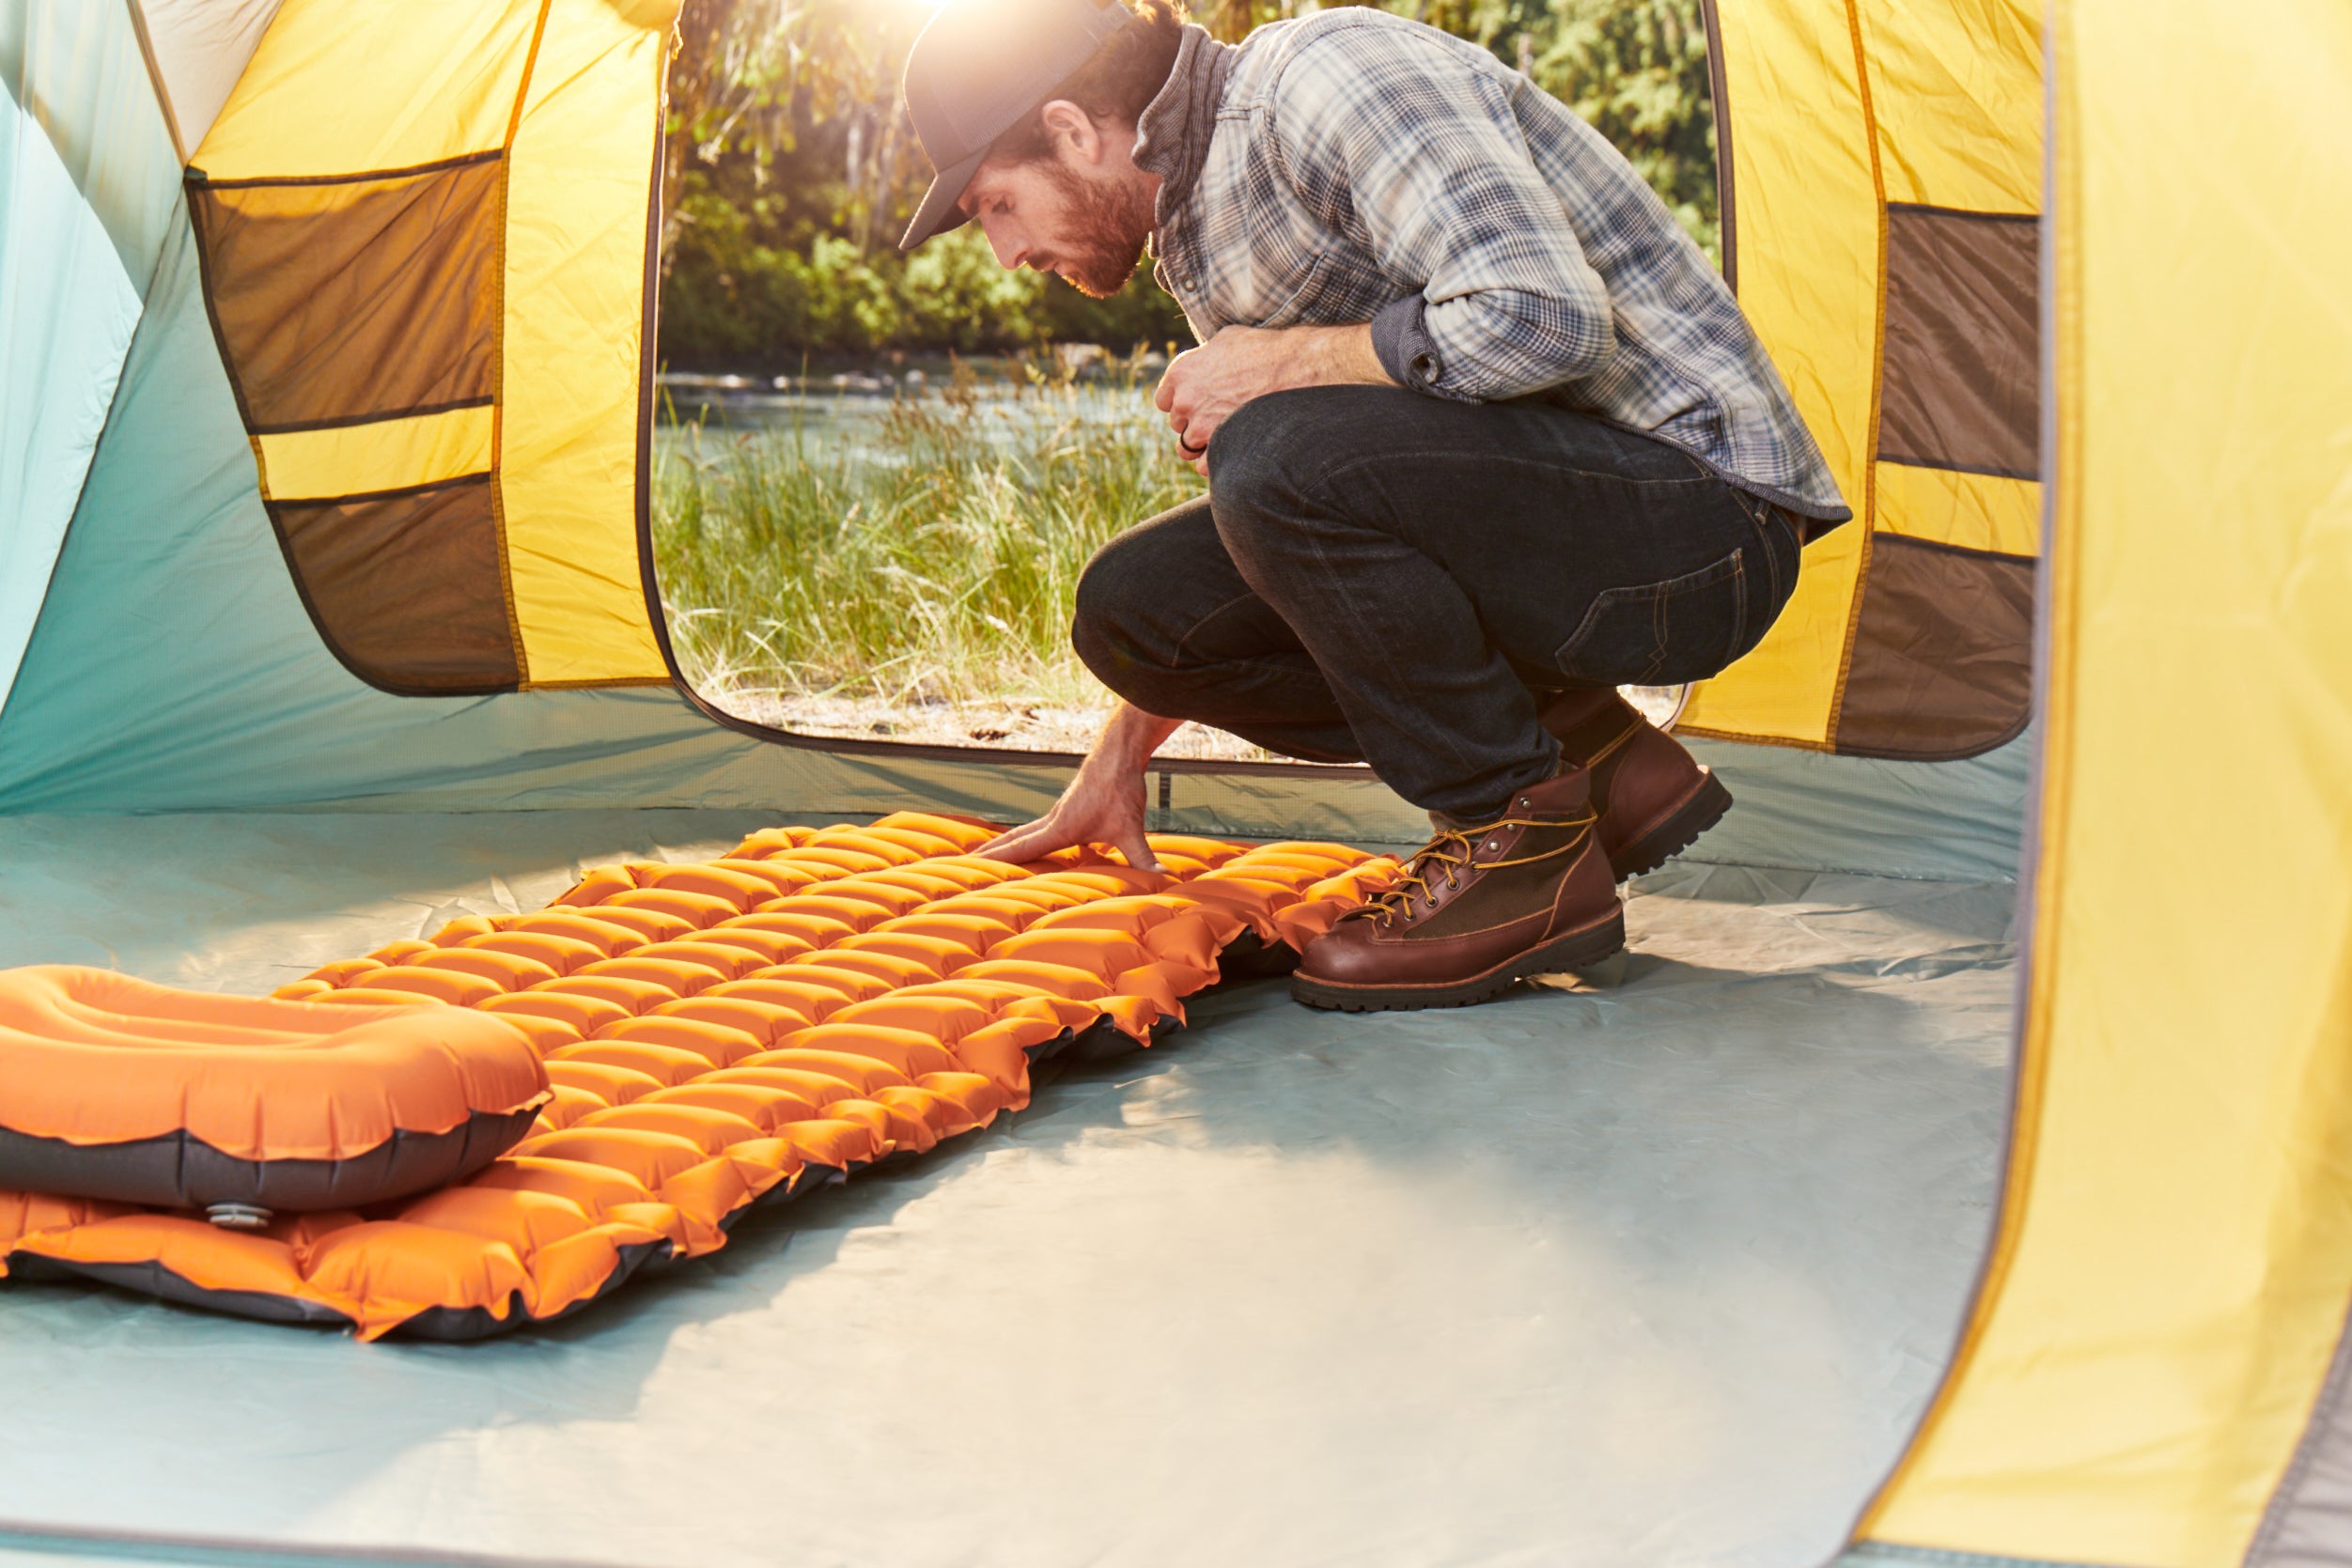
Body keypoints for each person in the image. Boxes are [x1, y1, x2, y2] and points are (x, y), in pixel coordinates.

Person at [894, 0, 1848, 1011]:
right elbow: (1310, 525)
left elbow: (1545, 320)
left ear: (1072, 132)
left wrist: (1276, 364)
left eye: (997, 206)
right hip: (1558, 535)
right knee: (1135, 613)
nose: (1003, 254)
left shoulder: (1325, 74)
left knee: (1270, 454)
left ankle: (1514, 836)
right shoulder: (1195, 226)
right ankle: (1594, 756)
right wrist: (1119, 757)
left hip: (1702, 526)